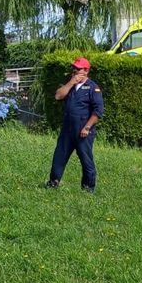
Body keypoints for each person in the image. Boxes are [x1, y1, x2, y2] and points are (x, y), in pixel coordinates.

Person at [47, 56, 104, 192]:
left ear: (86, 71)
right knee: (59, 156)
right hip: (67, 129)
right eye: (74, 68)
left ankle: (88, 188)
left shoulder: (92, 88)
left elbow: (98, 111)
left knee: (86, 159)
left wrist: (87, 127)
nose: (75, 71)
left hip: (83, 130)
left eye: (78, 69)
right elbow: (58, 96)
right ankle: (53, 182)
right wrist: (71, 83)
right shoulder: (70, 85)